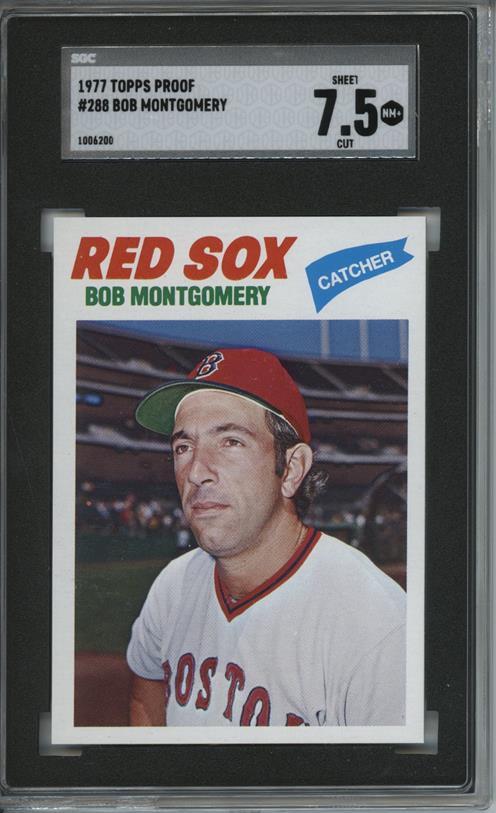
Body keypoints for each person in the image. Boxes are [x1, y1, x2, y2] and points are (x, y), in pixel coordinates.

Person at [127, 348, 406, 727]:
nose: (195, 472)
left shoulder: (378, 628)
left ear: (291, 469)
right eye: (183, 447)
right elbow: (145, 693)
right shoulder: (172, 585)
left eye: (230, 442)